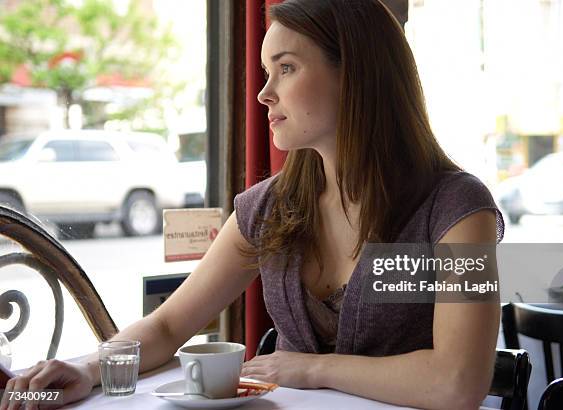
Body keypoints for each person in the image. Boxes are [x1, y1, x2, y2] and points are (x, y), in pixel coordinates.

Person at [0, 0, 504, 409]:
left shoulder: (458, 209)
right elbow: (170, 325)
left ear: (357, 75)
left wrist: (308, 367)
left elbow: (457, 382)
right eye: (266, 70)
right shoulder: (268, 208)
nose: (263, 93)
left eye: (286, 68)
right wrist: (89, 369)